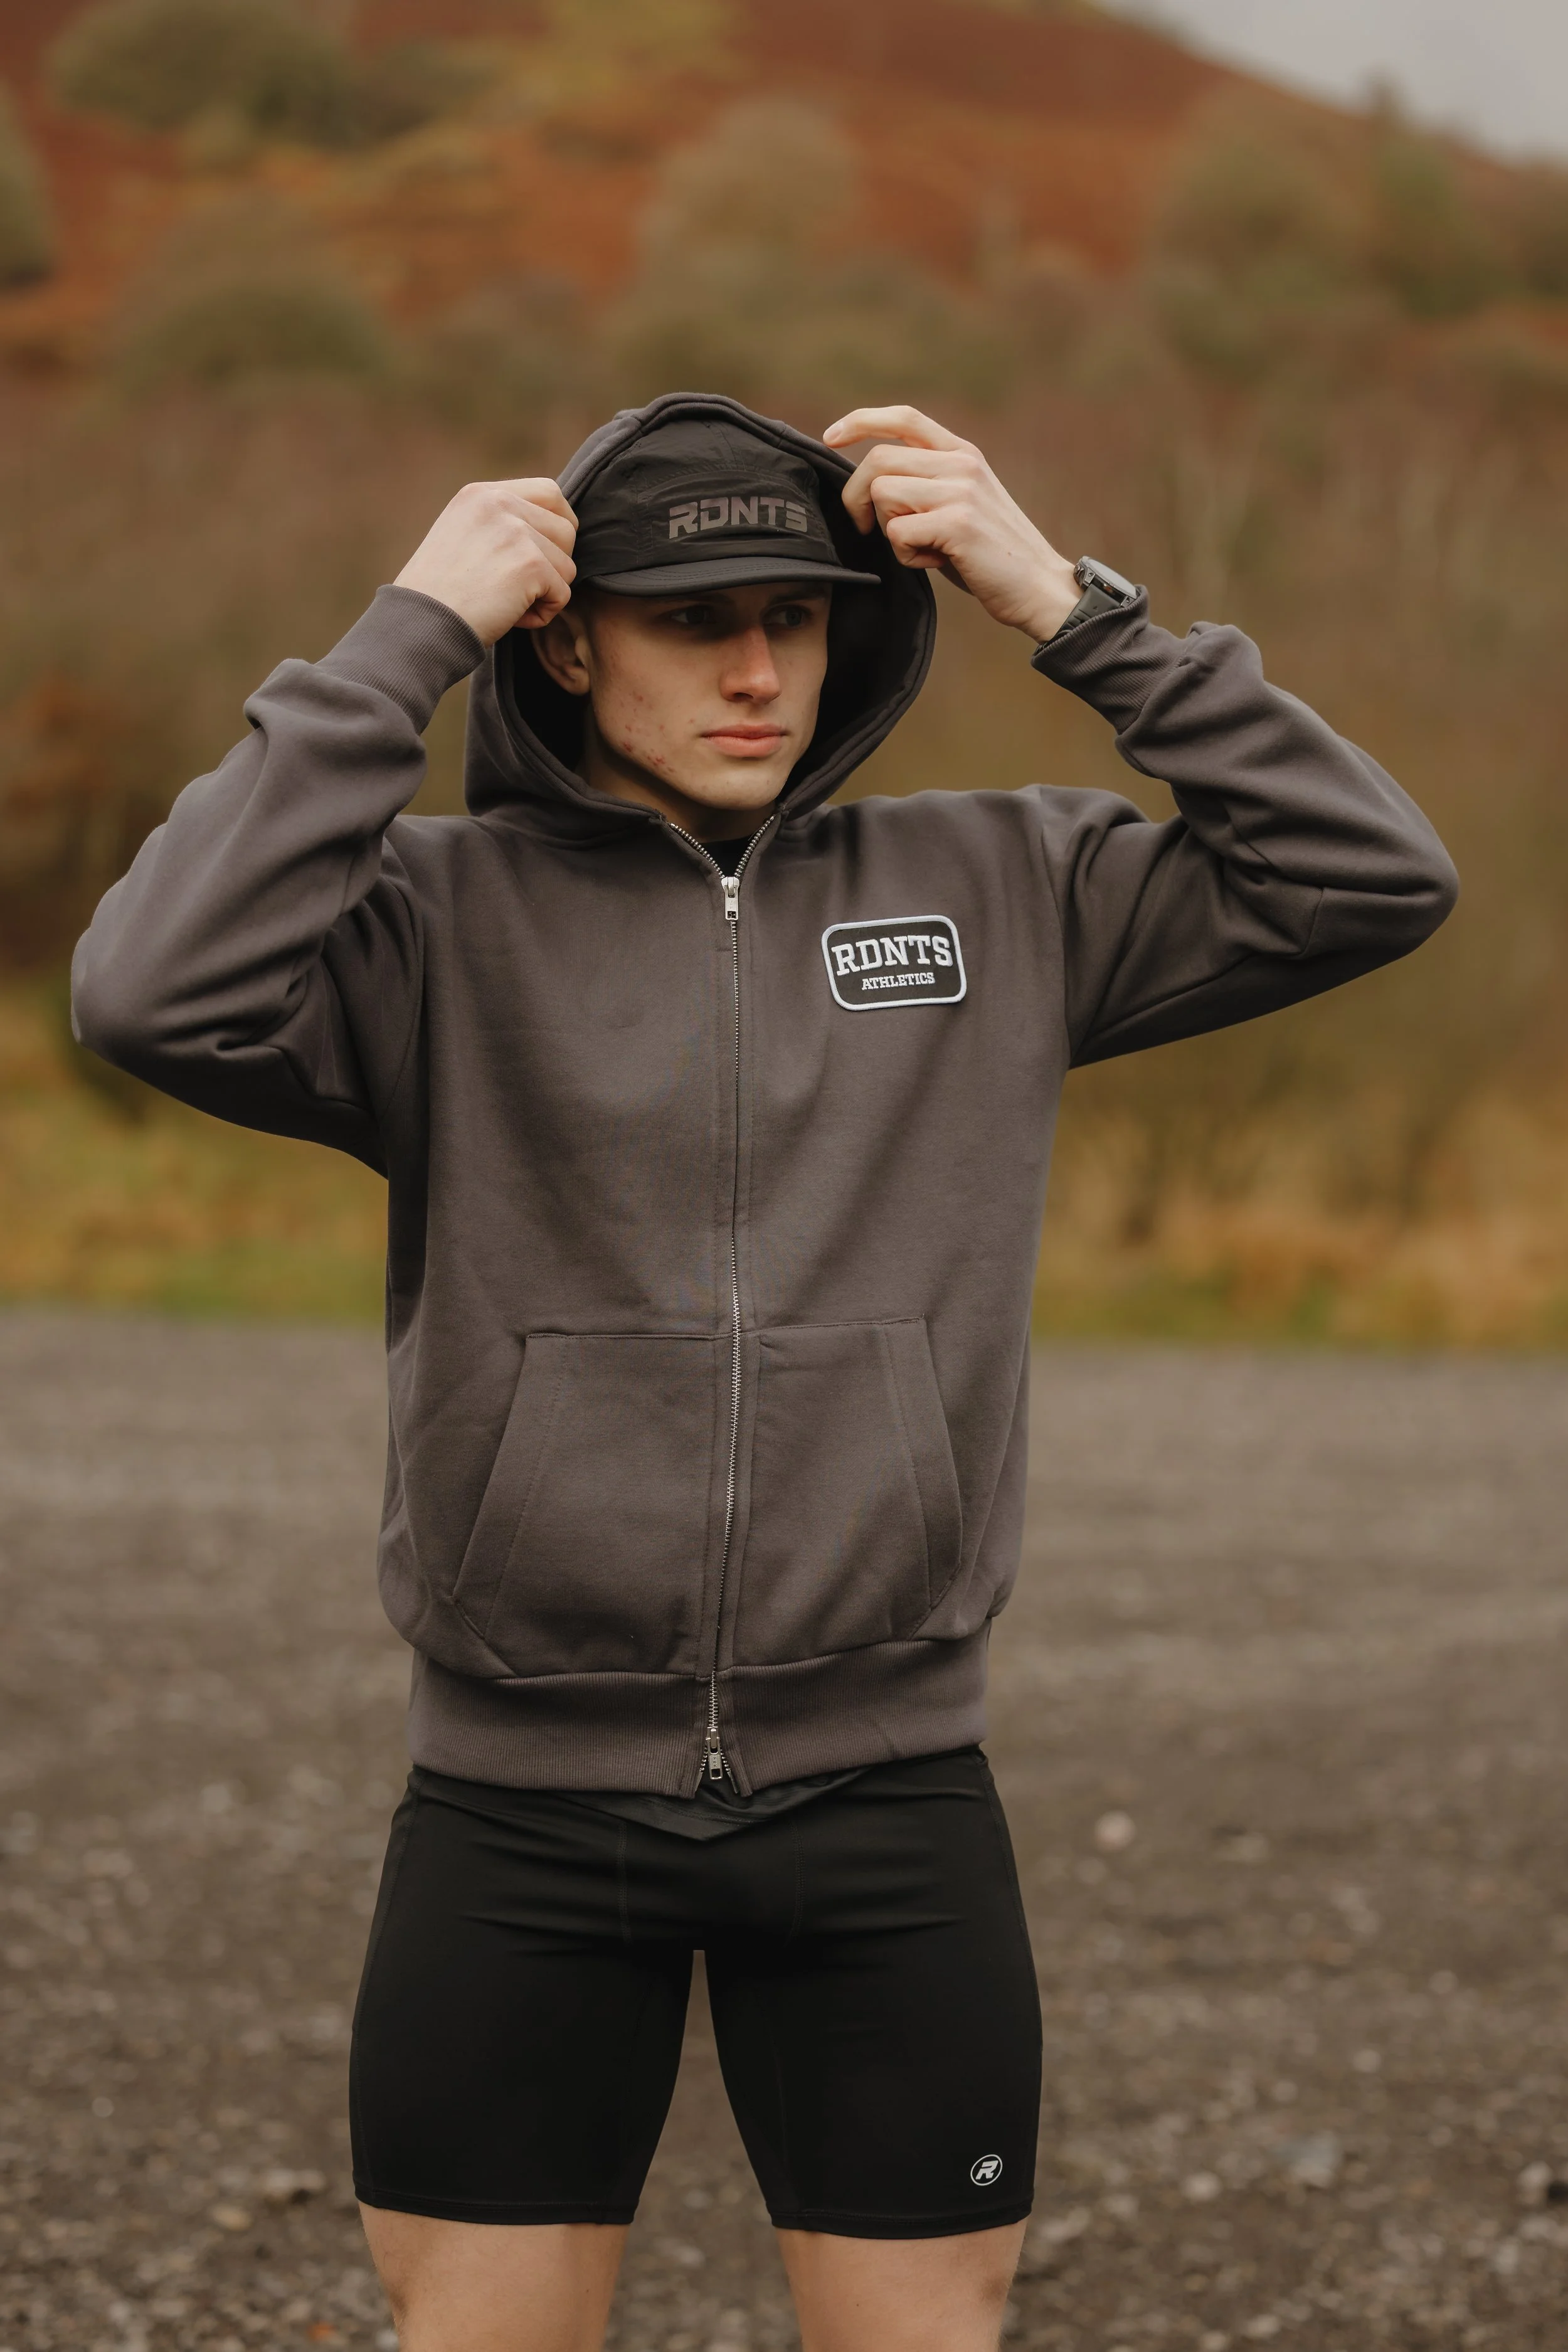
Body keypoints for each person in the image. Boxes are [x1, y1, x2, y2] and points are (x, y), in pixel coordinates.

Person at [71, 395, 1458, 2352]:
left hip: (887, 1795)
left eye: (793, 617)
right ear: (564, 635)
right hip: (522, 1803)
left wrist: (1072, 609)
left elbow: (1371, 876)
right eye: (690, 618)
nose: (753, 668)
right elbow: (144, 985)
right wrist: (403, 636)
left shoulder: (1005, 890)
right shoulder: (427, 928)